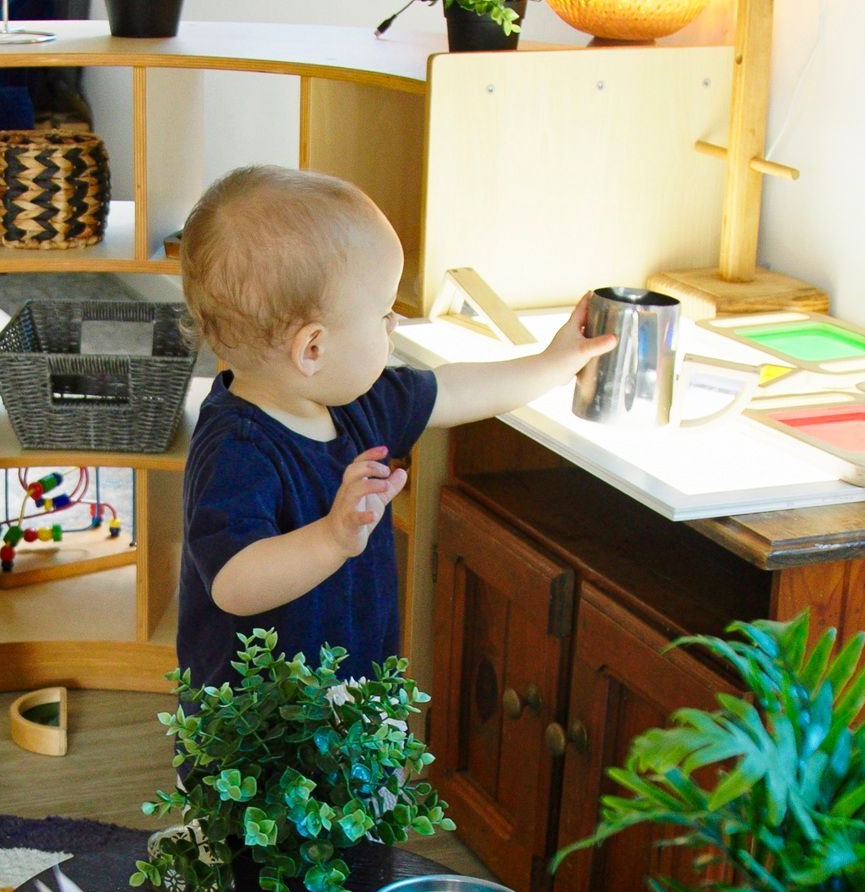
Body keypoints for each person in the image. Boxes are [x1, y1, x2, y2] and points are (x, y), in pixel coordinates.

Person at [177, 165, 615, 694]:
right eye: (383, 313)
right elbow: (233, 583)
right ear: (313, 348)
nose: (395, 325)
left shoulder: (358, 400)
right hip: (261, 723)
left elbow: (453, 392)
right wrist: (332, 538)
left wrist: (552, 364)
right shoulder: (236, 449)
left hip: (354, 695)